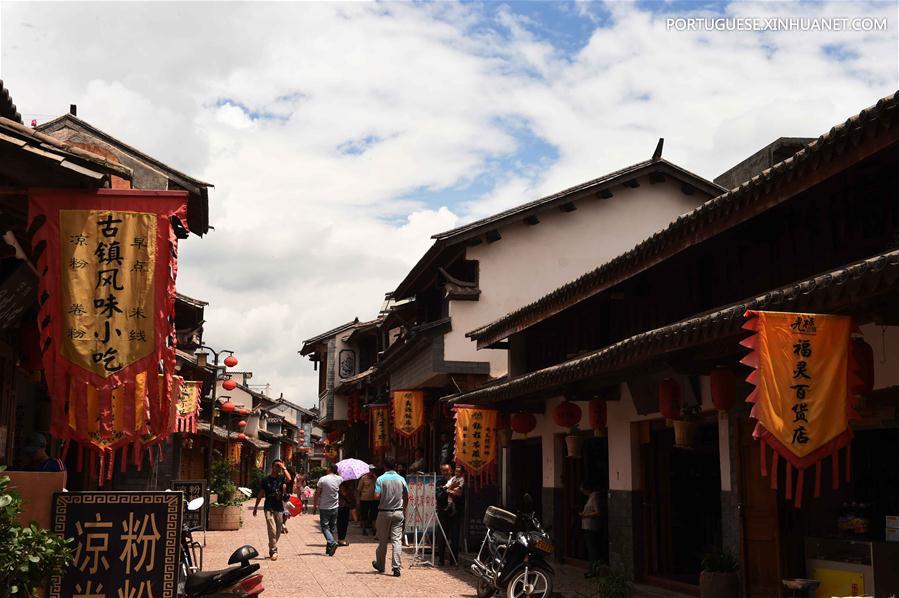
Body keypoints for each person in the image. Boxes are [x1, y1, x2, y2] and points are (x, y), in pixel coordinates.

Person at [371, 455, 408, 577]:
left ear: (384, 466)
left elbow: (376, 496)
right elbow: (406, 496)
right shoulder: (401, 479)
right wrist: (404, 509)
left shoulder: (380, 479)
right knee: (397, 540)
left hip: (384, 512)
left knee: (383, 541)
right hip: (398, 512)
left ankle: (380, 565)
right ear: (395, 466)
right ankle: (396, 567)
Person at [253, 459, 292, 561]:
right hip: (268, 506)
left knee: (278, 529)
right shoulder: (265, 480)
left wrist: (283, 467)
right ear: (272, 467)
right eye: (276, 466)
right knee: (271, 528)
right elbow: (261, 493)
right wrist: (256, 507)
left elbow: (289, 478)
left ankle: (271, 545)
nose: (278, 468)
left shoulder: (281, 478)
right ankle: (274, 550)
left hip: (278, 506)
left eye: (279, 466)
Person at [314, 464, 343, 556]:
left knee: (324, 527)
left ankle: (332, 542)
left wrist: (315, 505)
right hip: (335, 506)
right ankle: (329, 549)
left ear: (329, 469)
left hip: (324, 507)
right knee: (331, 527)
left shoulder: (323, 479)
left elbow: (317, 493)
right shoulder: (340, 479)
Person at [435, 463, 460, 567]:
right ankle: (441, 560)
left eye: (447, 470)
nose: (445, 472)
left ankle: (454, 560)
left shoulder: (457, 481)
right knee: (442, 536)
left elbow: (460, 495)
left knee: (455, 537)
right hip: (443, 512)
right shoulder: (439, 482)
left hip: (455, 512)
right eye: (443, 471)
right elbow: (439, 496)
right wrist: (448, 489)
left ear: (451, 471)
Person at [579, 482, 603, 578]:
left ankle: (593, 570)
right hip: (588, 526)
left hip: (590, 527)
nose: (583, 493)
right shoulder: (591, 497)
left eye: (583, 491)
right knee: (591, 549)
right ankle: (593, 569)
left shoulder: (594, 497)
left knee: (592, 549)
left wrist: (585, 515)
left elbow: (597, 512)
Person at [356, 465, 378, 536]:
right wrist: (358, 501)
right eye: (371, 470)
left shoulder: (375, 478)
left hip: (374, 499)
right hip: (364, 499)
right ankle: (364, 529)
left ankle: (374, 529)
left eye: (373, 470)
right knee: (364, 515)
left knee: (374, 515)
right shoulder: (363, 478)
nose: (372, 471)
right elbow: (358, 490)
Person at [337, 477, 357, 546]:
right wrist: (350, 499)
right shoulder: (341, 484)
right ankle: (341, 539)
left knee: (344, 522)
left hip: (345, 505)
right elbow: (344, 494)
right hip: (342, 505)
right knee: (341, 522)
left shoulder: (347, 484)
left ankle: (342, 538)